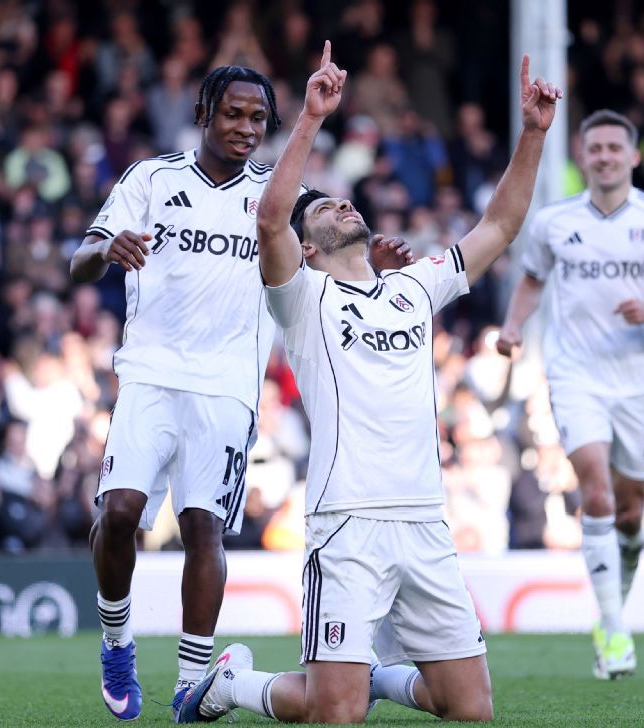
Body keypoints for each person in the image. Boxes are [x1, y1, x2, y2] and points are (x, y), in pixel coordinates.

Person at [176, 42, 560, 724]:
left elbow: (500, 224)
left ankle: (376, 677)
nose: (342, 206)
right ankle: (234, 683)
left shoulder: (414, 287)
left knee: (469, 708)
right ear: (312, 249)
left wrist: (531, 136)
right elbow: (270, 219)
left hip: (424, 522)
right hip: (348, 524)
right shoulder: (303, 300)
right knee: (336, 713)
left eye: (344, 202)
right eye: (324, 211)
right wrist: (313, 117)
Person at [70, 63, 411, 721]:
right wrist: (108, 246)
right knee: (117, 513)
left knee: (205, 529)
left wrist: (373, 257)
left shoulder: (274, 194)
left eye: (258, 118)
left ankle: (192, 680)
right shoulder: (151, 179)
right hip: (148, 373)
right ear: (204, 112)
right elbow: (78, 258)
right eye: (234, 113)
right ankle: (117, 640)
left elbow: (331, 226)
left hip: (228, 387)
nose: (246, 128)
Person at [495, 109, 644, 679]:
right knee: (593, 490)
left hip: (637, 381)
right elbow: (532, 281)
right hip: (575, 375)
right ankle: (614, 629)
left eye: (615, 147)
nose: (604, 156)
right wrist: (515, 325)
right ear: (582, 157)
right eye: (594, 148)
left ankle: (615, 603)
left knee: (631, 510)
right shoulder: (554, 221)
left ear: (634, 156)